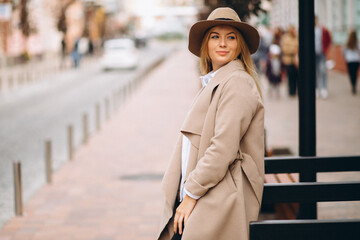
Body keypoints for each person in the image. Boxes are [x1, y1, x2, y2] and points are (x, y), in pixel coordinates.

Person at [157, 7, 265, 240]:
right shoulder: (216, 81)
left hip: (218, 197)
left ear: (240, 46)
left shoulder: (237, 82)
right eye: (215, 36)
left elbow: (222, 148)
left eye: (231, 37)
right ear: (206, 44)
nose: (223, 43)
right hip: (207, 190)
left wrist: (190, 195)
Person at [315, 16, 332, 98]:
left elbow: (329, 39)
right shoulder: (310, 29)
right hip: (313, 54)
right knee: (314, 72)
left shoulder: (322, 29)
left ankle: (324, 89)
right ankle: (316, 89)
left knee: (323, 71)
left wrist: (326, 49)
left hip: (321, 53)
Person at [280, 25, 298, 96]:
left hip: (296, 60)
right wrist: (292, 50)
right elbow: (284, 48)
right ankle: (291, 91)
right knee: (290, 76)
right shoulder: (285, 38)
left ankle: (297, 90)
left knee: (297, 75)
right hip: (288, 59)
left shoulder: (297, 37)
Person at [343, 30, 359, 95]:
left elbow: (343, 51)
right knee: (355, 74)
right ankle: (354, 85)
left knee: (351, 74)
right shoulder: (357, 43)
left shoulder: (347, 43)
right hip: (356, 60)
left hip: (349, 60)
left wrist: (345, 57)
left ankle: (353, 85)